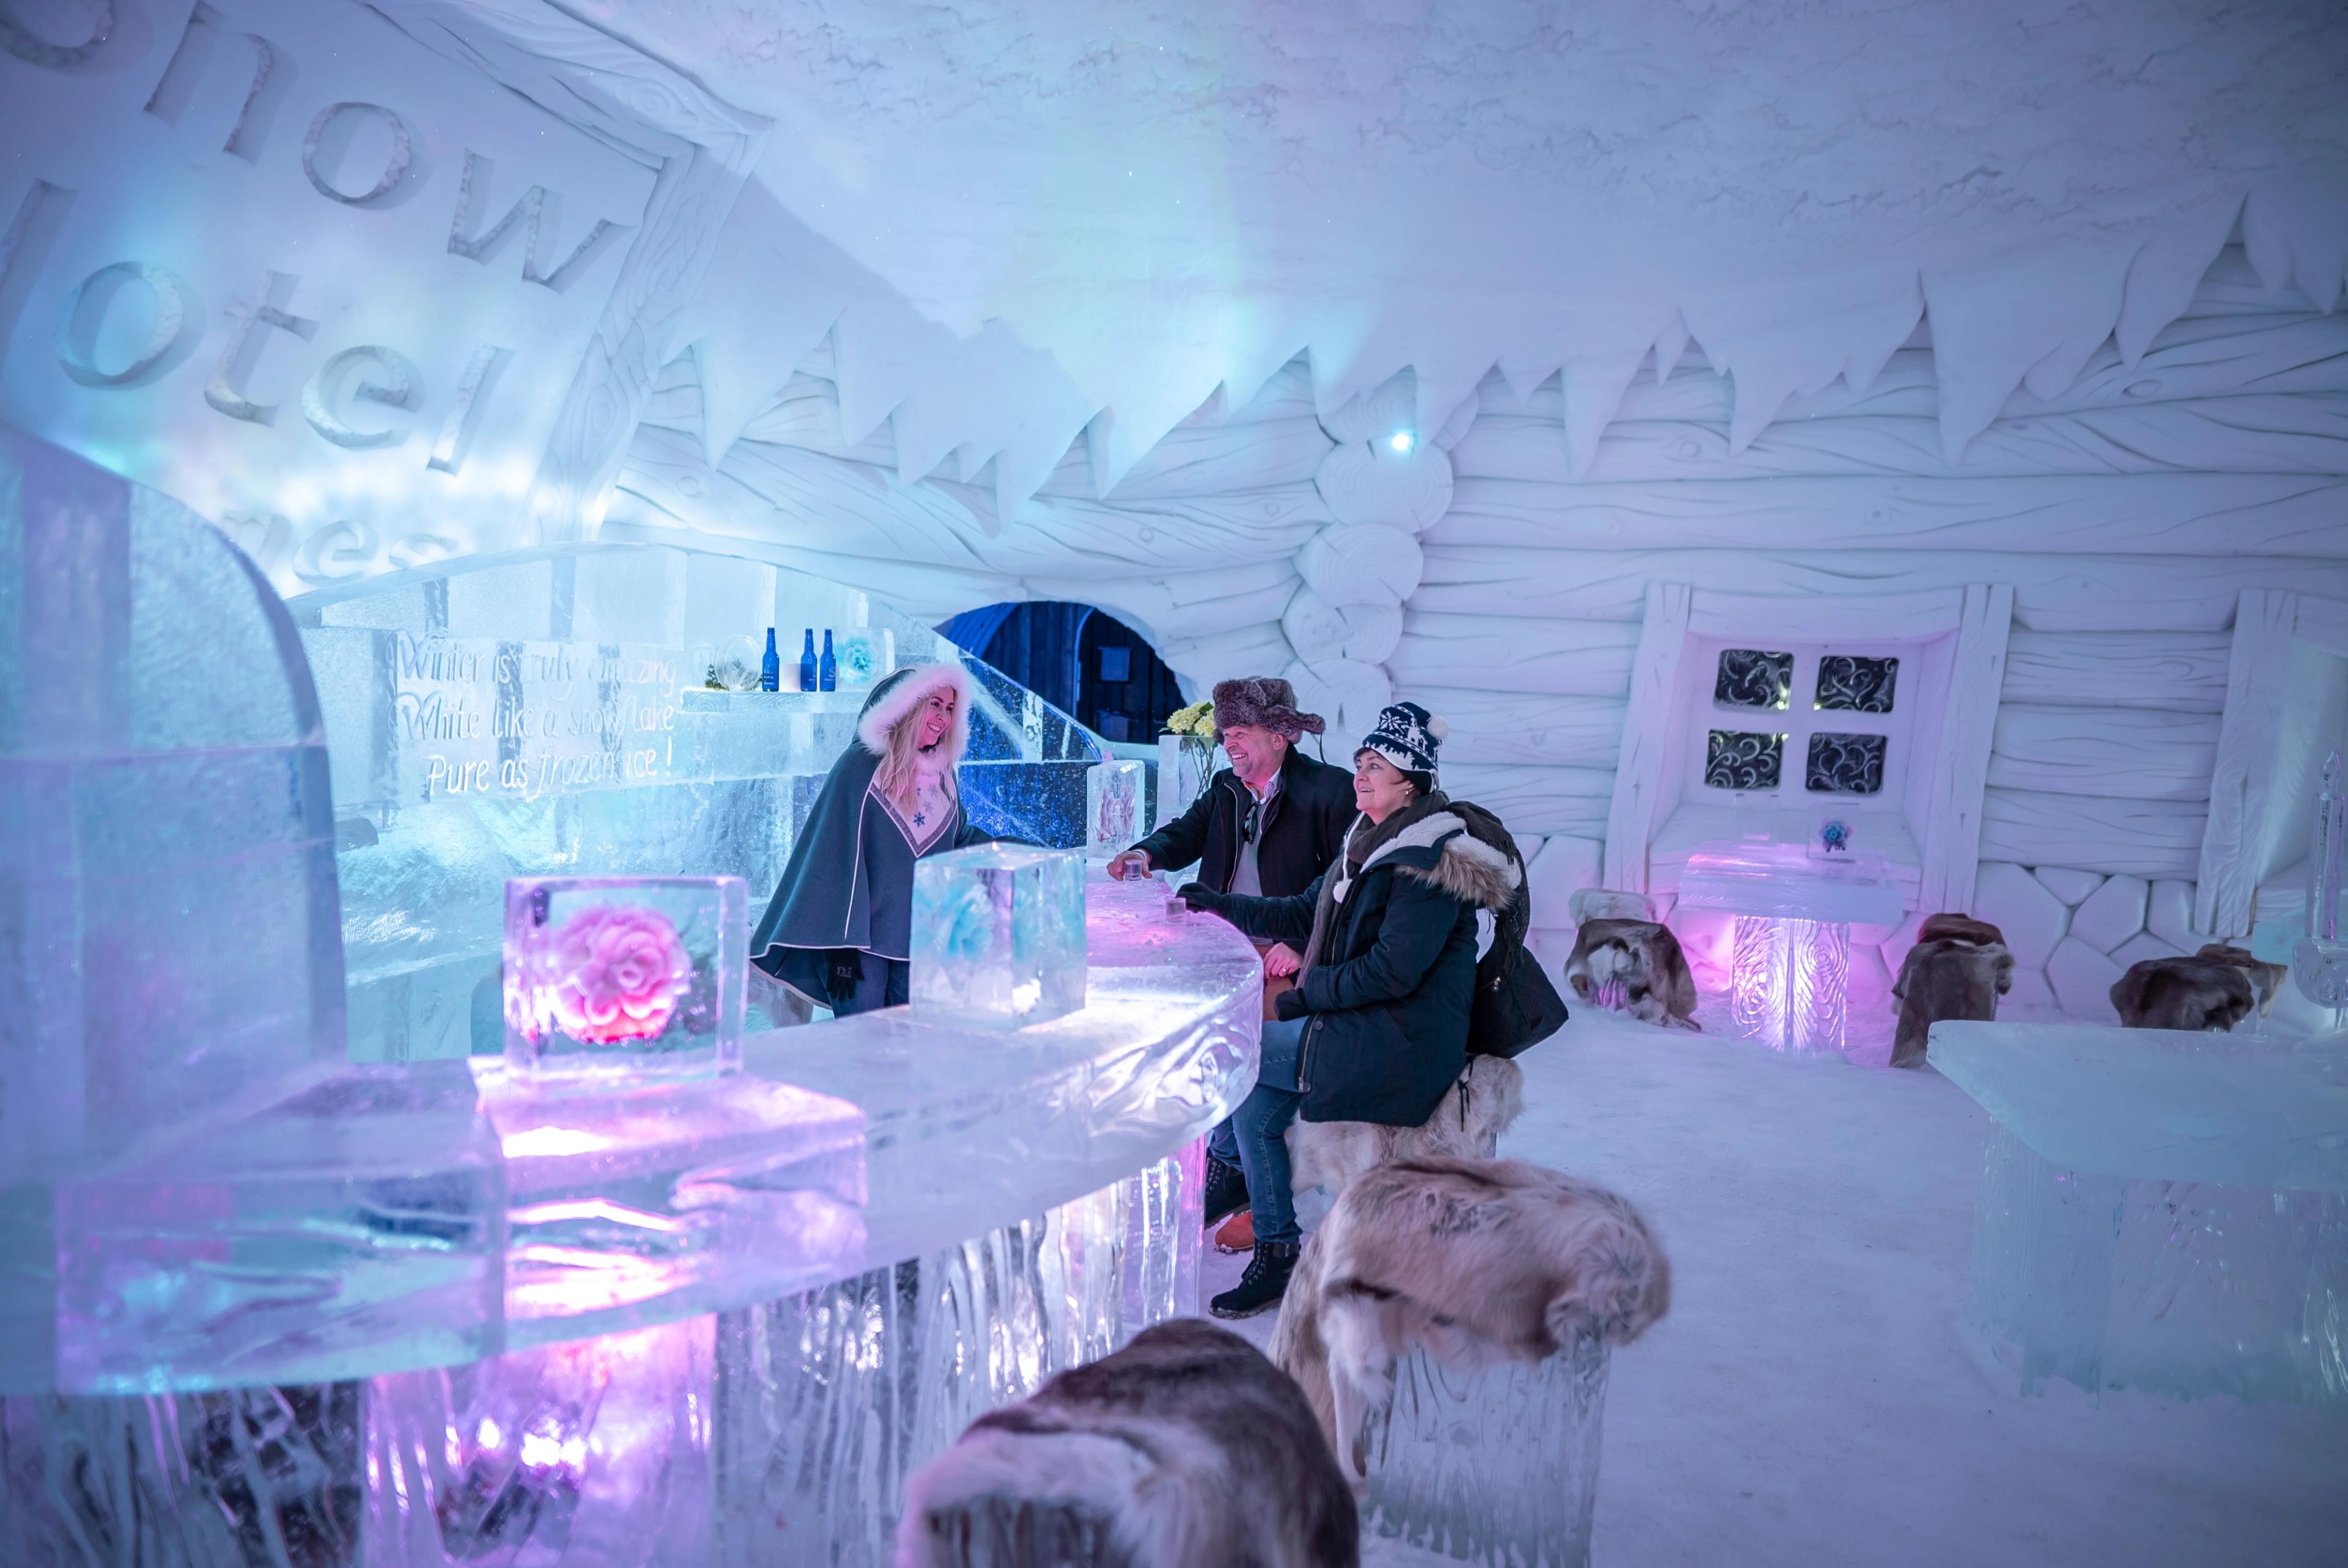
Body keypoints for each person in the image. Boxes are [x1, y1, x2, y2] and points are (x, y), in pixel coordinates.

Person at [1174, 701, 1520, 1319]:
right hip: (1362, 1023)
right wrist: (1218, 903)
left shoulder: (1428, 863)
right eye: (1360, 762)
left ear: (1410, 783)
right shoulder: (1367, 845)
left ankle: (1240, 1189)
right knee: (1253, 1098)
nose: (1360, 775)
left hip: (1401, 1043)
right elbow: (1299, 912)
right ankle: (1272, 1240)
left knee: (1242, 1053)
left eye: (1377, 766)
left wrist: (1306, 996)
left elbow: (1393, 972)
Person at [1107, 677, 1354, 1232]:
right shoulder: (1226, 789)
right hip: (1225, 947)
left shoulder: (1330, 790)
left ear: (1279, 737)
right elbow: (1186, 834)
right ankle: (1229, 1164)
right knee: (1206, 1048)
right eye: (1225, 734)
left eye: (1239, 733)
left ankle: (1248, 1180)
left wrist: (1302, 944)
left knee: (1252, 1057)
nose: (1229, 744)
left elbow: (1344, 887)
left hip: (1287, 953)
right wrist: (1146, 851)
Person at [750, 663, 987, 1014]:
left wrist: (1014, 851)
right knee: (862, 1046)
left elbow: (959, 838)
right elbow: (832, 858)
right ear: (908, 704)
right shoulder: (861, 766)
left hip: (918, 942)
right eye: (934, 704)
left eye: (950, 708)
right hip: (859, 946)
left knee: (909, 1044)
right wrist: (842, 949)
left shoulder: (942, 775)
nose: (943, 717)